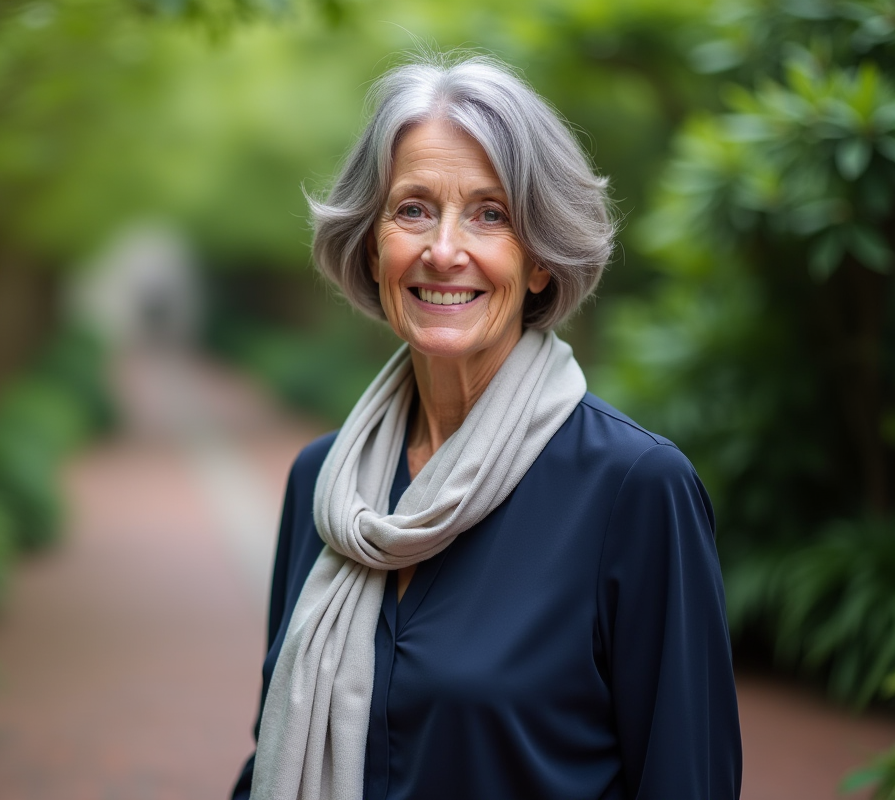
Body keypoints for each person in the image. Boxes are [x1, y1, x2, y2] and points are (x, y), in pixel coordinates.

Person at [231, 53, 742, 800]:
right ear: (373, 246)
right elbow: (272, 754)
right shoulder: (322, 482)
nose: (444, 250)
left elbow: (685, 781)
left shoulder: (634, 490)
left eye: (489, 214)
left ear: (539, 259)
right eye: (412, 209)